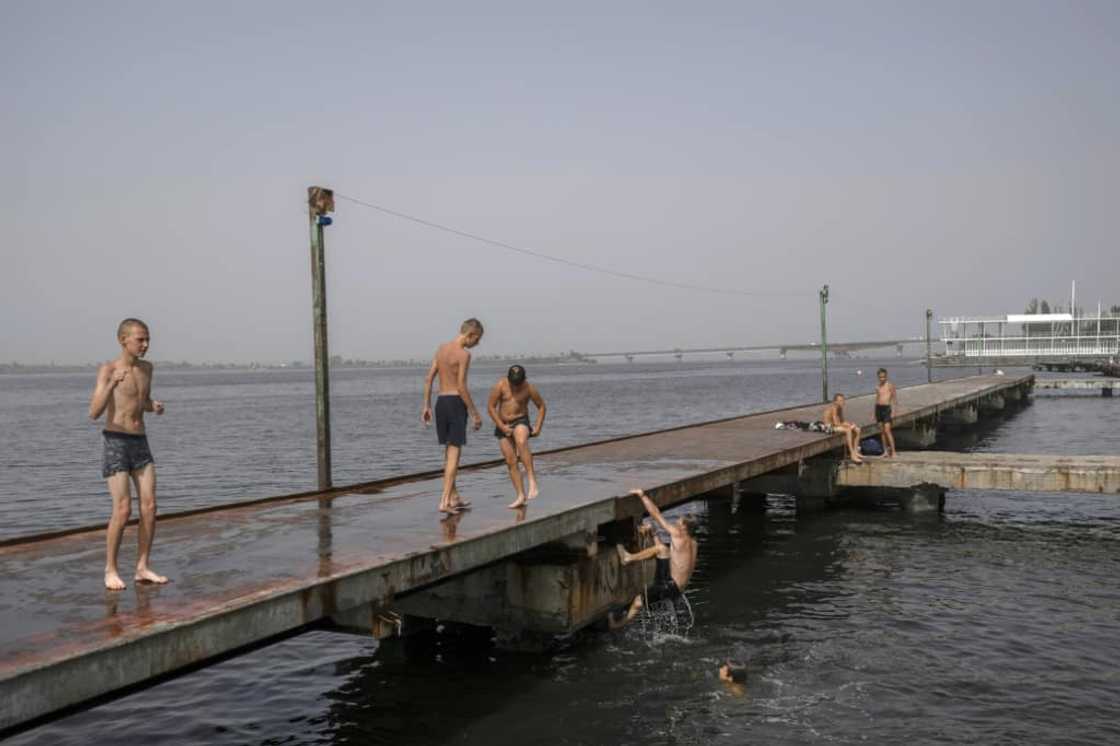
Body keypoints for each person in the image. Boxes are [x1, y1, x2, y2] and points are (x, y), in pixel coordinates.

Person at [88, 318, 168, 590]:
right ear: (123, 340)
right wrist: (111, 384)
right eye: (140, 339)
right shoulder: (108, 369)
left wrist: (152, 406)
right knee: (123, 509)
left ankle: (142, 567)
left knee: (150, 506)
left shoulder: (147, 368)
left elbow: (139, 400)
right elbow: (94, 412)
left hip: (140, 442)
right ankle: (110, 569)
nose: (145, 345)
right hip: (116, 442)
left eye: (147, 339)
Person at [609, 489, 698, 629]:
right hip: (677, 588)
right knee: (662, 549)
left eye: (678, 521)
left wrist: (642, 495)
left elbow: (656, 514)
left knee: (638, 602)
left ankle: (617, 625)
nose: (676, 522)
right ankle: (631, 555)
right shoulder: (693, 543)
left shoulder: (678, 535)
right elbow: (672, 559)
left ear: (683, 527)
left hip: (669, 584)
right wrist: (653, 533)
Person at [421, 318, 484, 514]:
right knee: (454, 455)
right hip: (456, 403)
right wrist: (475, 413)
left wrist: (426, 405)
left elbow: (429, 377)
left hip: (441, 403)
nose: (477, 344)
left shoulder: (441, 349)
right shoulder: (464, 355)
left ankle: (454, 497)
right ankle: (444, 501)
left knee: (448, 453)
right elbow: (462, 388)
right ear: (470, 335)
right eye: (478, 339)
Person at [487, 365, 546, 508]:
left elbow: (542, 406)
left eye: (518, 383)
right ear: (508, 379)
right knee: (510, 461)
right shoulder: (501, 385)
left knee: (521, 440)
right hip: (503, 424)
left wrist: (538, 426)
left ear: (524, 379)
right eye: (513, 383)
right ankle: (520, 495)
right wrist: (502, 426)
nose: (516, 386)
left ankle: (532, 479)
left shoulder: (529, 388)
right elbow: (490, 407)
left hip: (521, 420)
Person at [822, 393, 863, 463]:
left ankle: (856, 451)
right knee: (848, 430)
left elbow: (842, 421)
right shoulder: (834, 408)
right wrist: (849, 426)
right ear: (835, 402)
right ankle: (852, 454)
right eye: (840, 400)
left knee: (857, 429)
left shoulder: (840, 408)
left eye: (843, 400)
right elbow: (835, 423)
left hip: (835, 426)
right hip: (828, 427)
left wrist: (851, 424)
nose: (842, 402)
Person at [875, 368, 898, 457]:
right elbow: (877, 399)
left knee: (887, 430)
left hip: (887, 409)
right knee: (882, 432)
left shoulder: (890, 386)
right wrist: (873, 413)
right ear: (878, 377)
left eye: (884, 377)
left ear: (886, 376)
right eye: (880, 377)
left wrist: (895, 411)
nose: (882, 379)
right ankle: (885, 451)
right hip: (878, 408)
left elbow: (894, 398)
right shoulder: (877, 387)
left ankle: (893, 451)